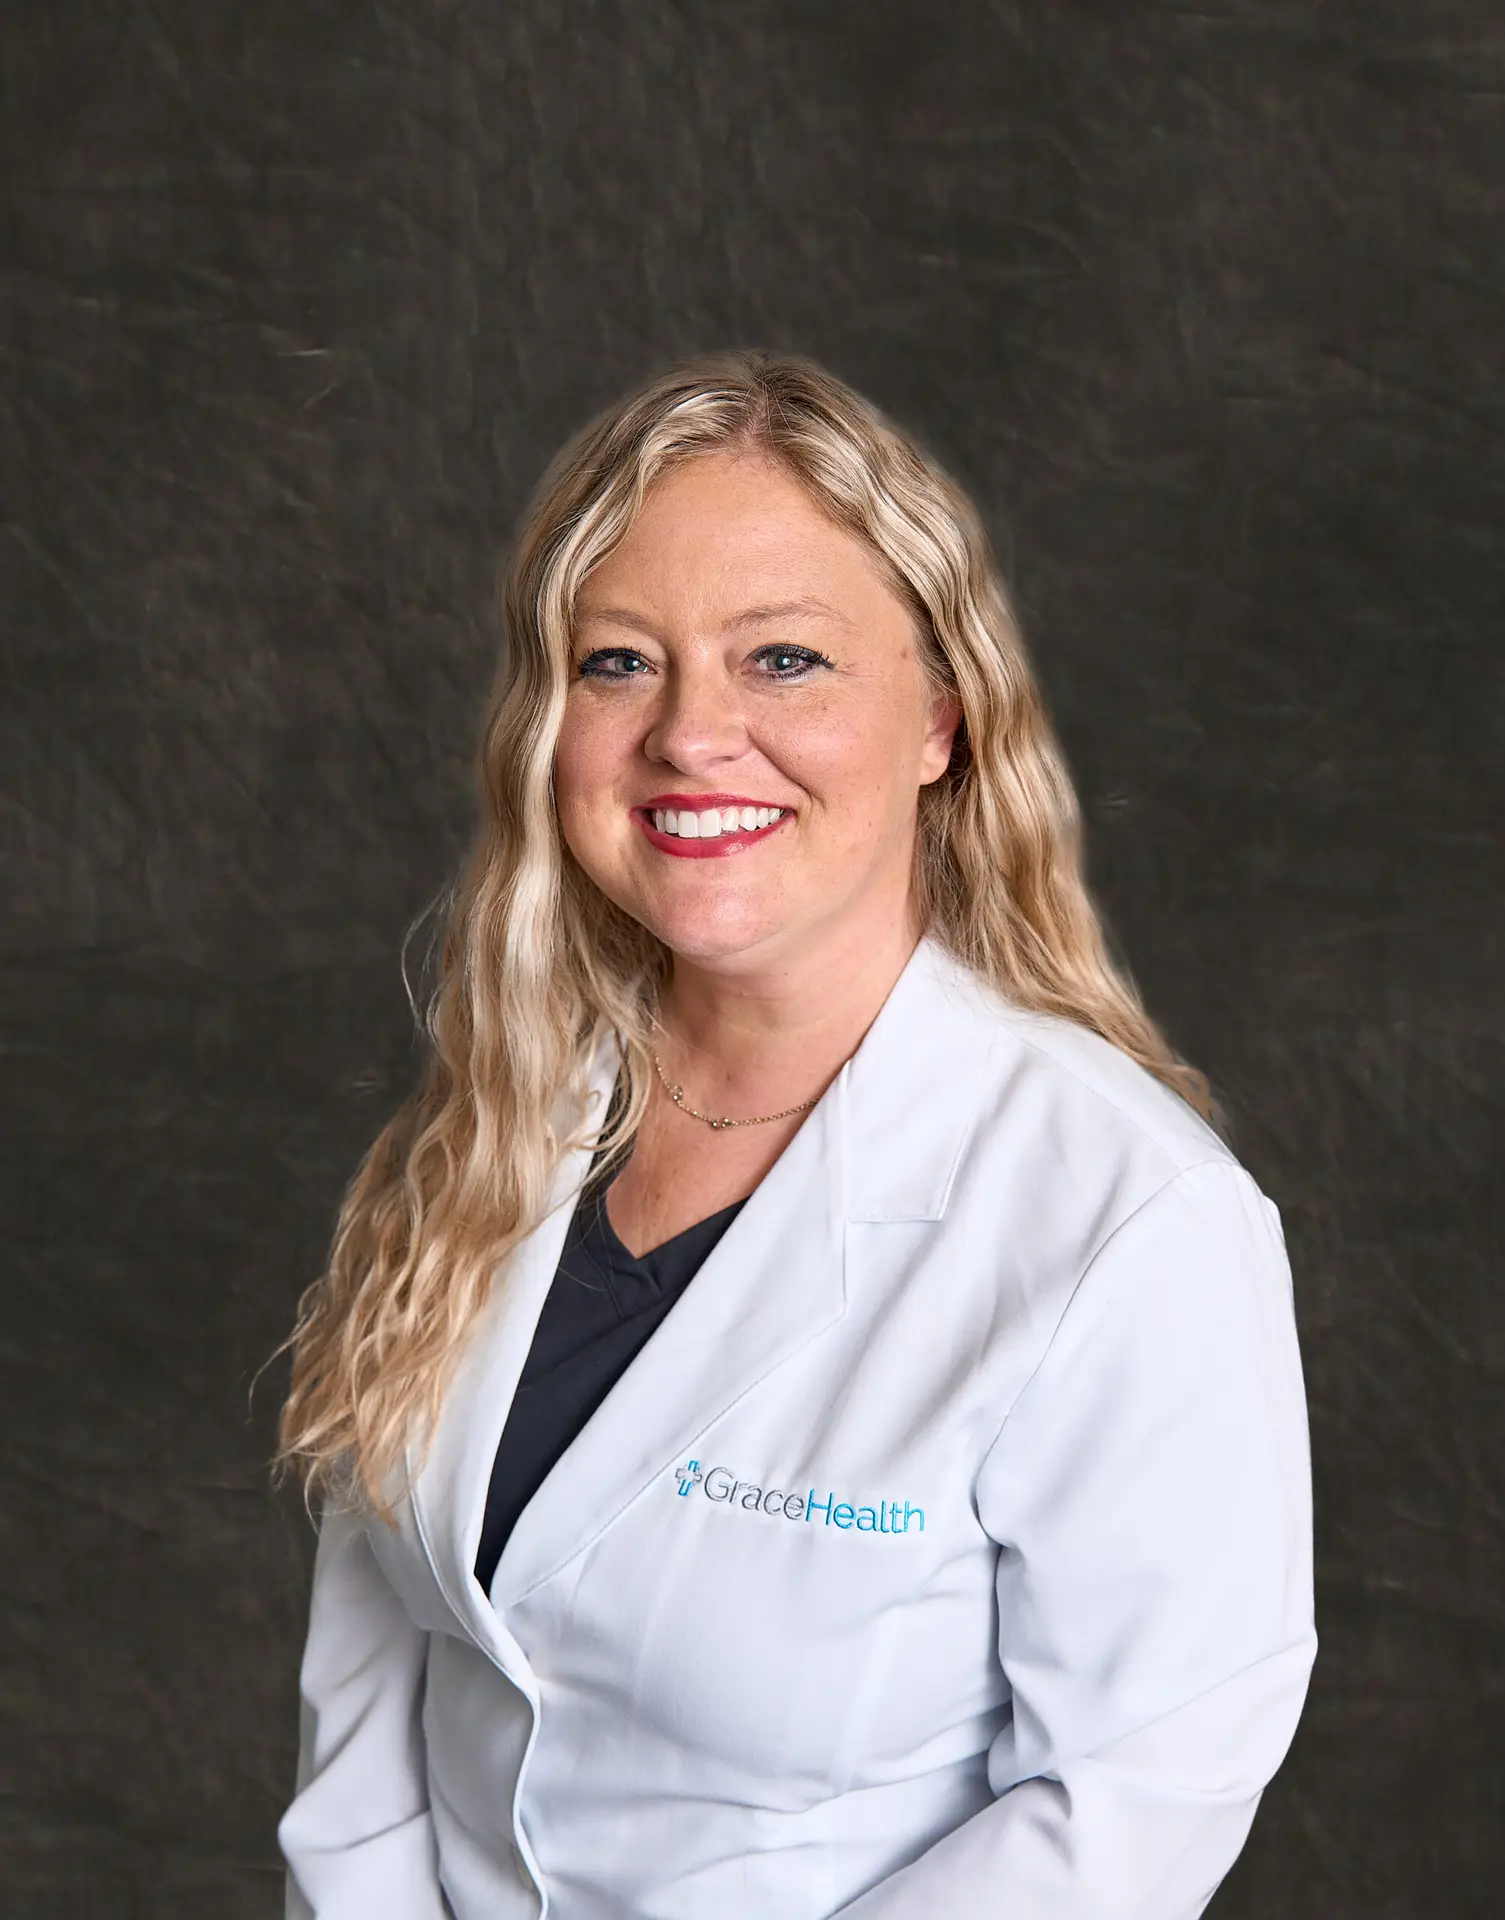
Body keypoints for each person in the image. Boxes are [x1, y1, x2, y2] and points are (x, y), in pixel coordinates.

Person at [274, 350, 1315, 1920]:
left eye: (783, 661)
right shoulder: (490, 1135)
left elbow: (1126, 1811)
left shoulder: (1126, 1215)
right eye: (620, 663)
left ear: (940, 723)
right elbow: (368, 1717)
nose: (692, 736)